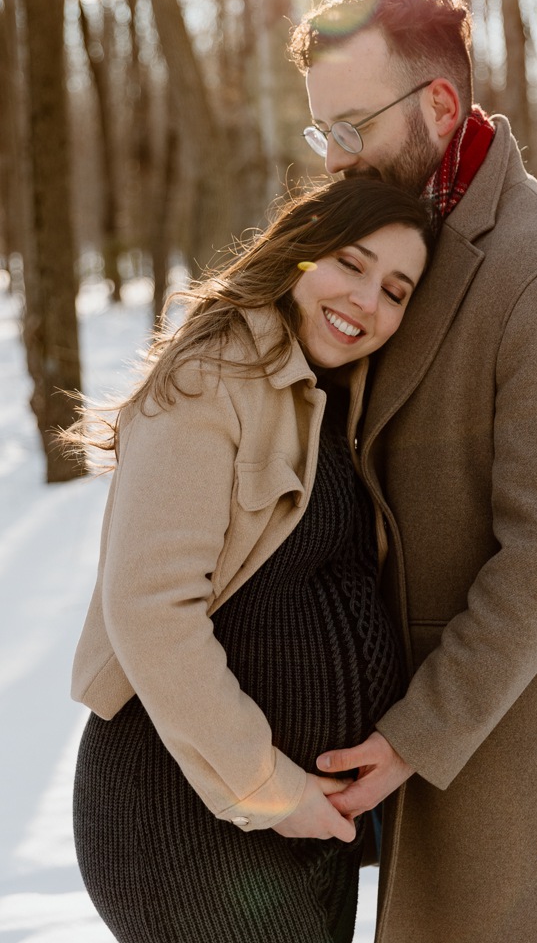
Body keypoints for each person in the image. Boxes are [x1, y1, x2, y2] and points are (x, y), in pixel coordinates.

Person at [288, 0, 537, 943]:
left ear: (439, 108)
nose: (339, 157)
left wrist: (413, 735)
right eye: (324, 133)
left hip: (505, 753)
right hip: (391, 741)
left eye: (353, 125)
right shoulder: (387, 252)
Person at [68, 176, 432, 943]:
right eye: (351, 264)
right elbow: (149, 609)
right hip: (184, 815)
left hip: (302, 825)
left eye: (396, 291)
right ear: (300, 256)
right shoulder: (216, 377)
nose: (368, 301)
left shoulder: (333, 394)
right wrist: (267, 788)